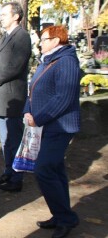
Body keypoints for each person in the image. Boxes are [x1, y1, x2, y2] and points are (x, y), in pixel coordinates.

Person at [24, 26, 80, 238]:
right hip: (46, 126)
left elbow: (63, 99)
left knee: (44, 170)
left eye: (44, 39)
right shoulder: (48, 60)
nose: (40, 43)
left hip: (60, 126)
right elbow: (33, 90)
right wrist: (28, 111)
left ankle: (65, 218)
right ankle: (61, 215)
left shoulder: (67, 61)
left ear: (57, 40)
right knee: (55, 171)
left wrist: (38, 118)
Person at [0, 2, 32, 192]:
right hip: (2, 95)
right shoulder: (7, 36)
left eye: (4, 14)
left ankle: (16, 177)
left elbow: (15, 66)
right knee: (6, 140)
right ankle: (8, 171)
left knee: (14, 138)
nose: (1, 17)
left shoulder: (22, 37)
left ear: (16, 16)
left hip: (11, 96)